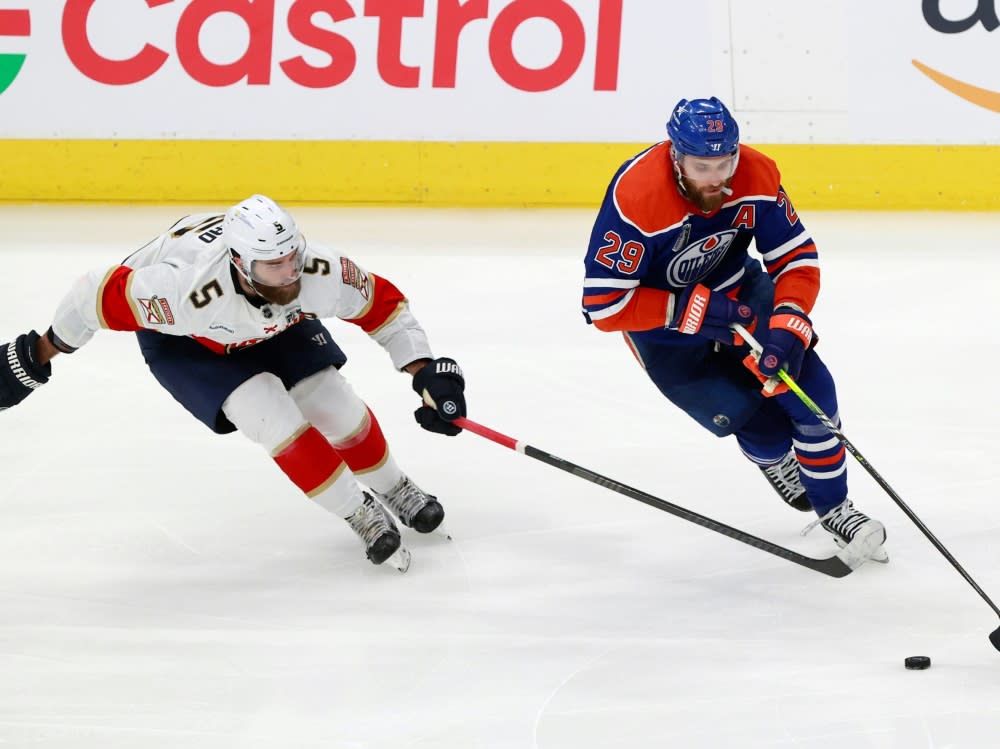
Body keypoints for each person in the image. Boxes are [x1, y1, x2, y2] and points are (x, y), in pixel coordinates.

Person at [0, 195, 468, 572]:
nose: (289, 273)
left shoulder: (312, 272)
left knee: (334, 404)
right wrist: (36, 357)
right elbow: (91, 297)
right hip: (191, 343)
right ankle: (359, 514)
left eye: (292, 257)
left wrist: (423, 369)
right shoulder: (181, 293)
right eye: (273, 265)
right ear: (241, 264)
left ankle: (397, 488)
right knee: (270, 415)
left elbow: (384, 308)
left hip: (272, 324)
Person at [580, 97, 887, 565]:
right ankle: (773, 457)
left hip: (740, 291)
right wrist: (696, 312)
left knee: (812, 395)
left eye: (725, 161)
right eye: (702, 166)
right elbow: (604, 306)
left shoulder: (757, 174)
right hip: (663, 328)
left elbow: (796, 258)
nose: (717, 177)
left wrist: (788, 321)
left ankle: (836, 510)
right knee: (757, 422)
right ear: (675, 154)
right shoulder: (636, 197)